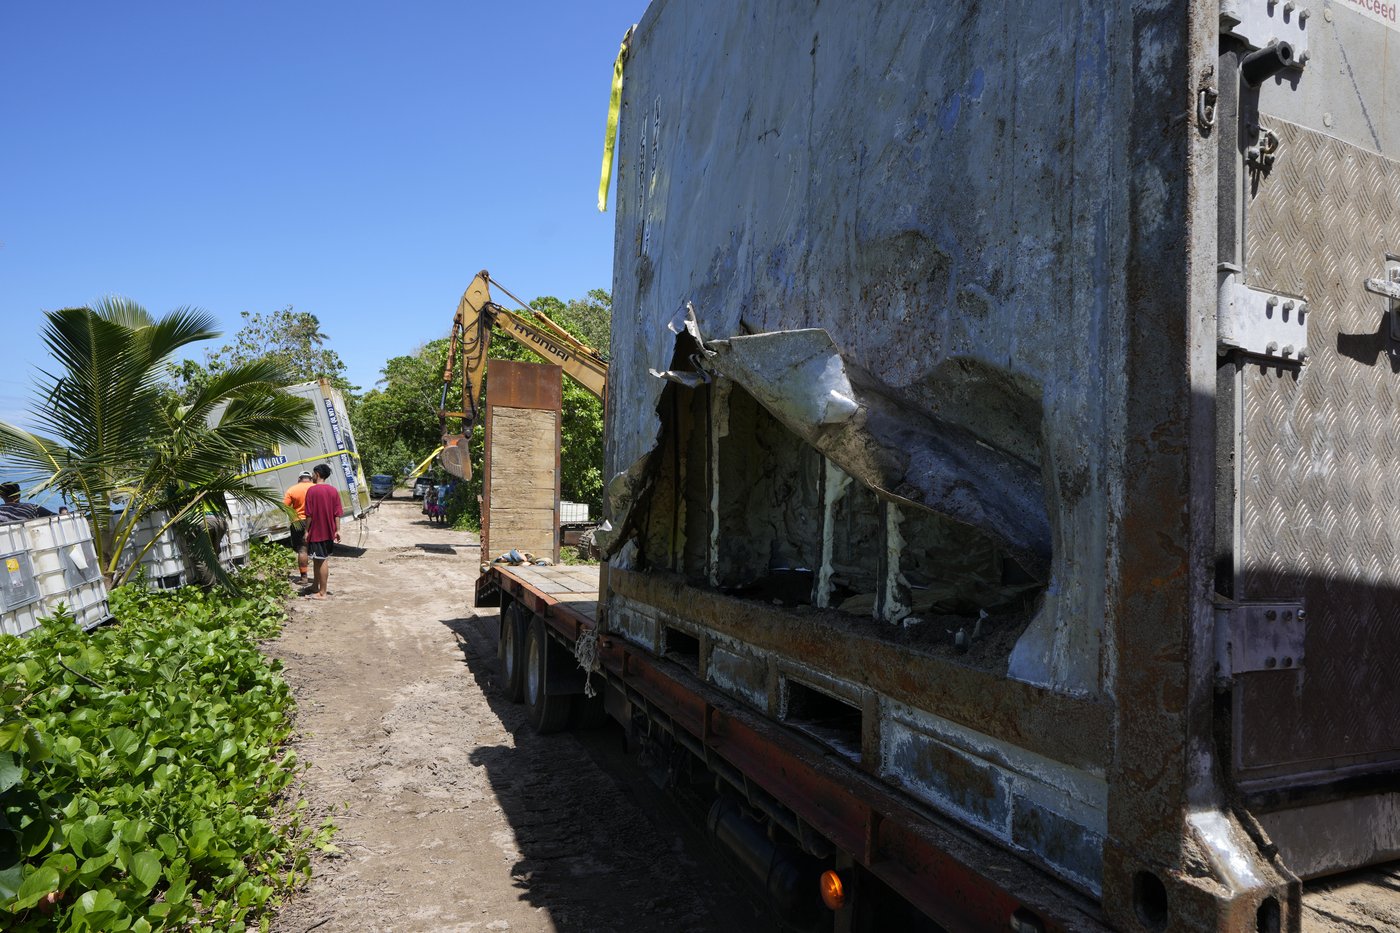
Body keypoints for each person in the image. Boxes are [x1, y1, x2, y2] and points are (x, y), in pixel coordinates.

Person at [302, 464, 343, 599]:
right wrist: (337, 530)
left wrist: (306, 530)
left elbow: (309, 514)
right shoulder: (333, 491)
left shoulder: (312, 491)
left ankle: (322, 592)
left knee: (322, 560)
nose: (312, 477)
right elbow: (337, 513)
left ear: (318, 474)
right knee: (317, 559)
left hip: (317, 532)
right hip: (329, 531)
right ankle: (315, 586)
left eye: (313, 474)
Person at [283, 470, 315, 584]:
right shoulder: (315, 488)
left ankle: (304, 577)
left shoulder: (292, 489)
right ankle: (318, 577)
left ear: (299, 479)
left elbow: (285, 507)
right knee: (317, 549)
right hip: (315, 522)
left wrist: (294, 515)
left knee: (302, 550)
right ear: (311, 479)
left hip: (298, 522)